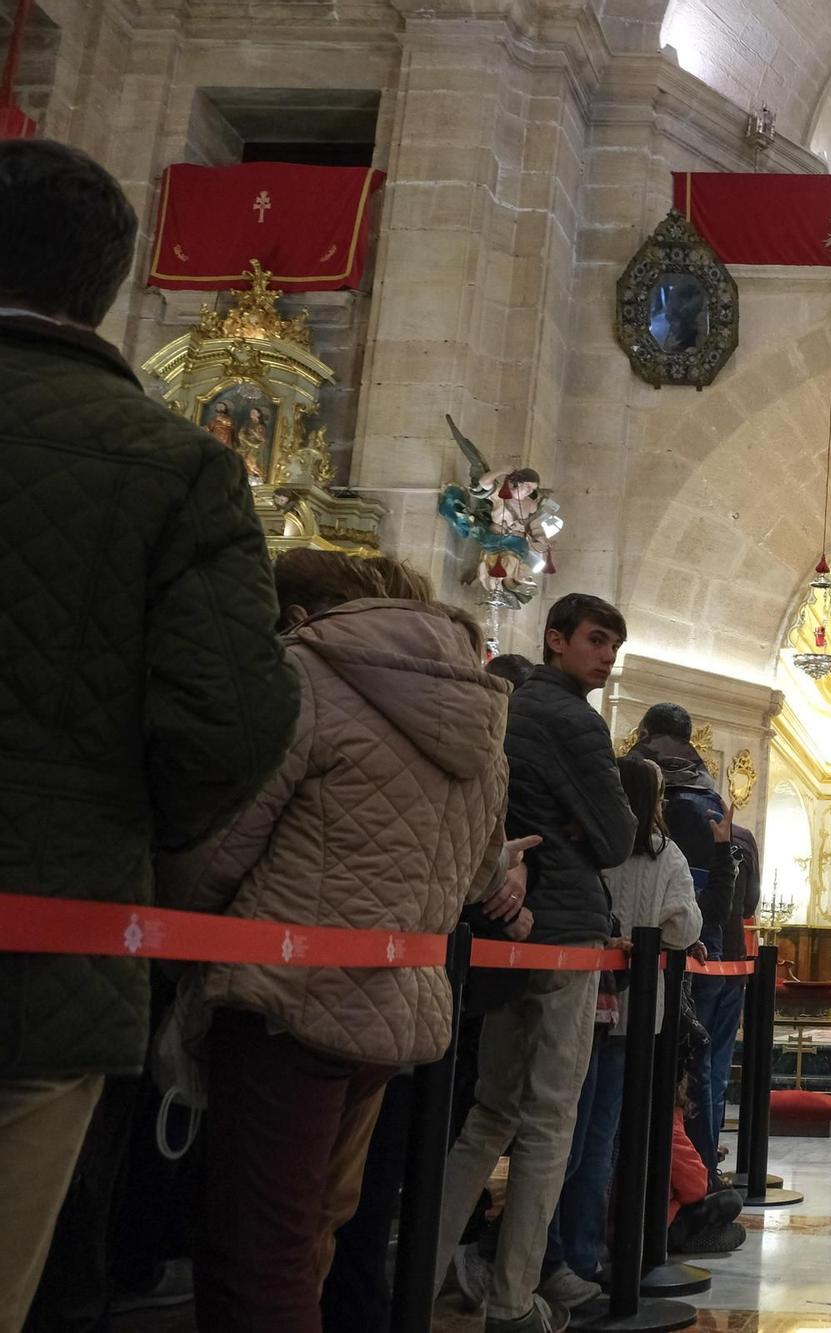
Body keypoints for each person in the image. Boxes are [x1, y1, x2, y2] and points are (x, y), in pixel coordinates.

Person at [0, 139, 298, 1332]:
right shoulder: (178, 466)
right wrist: (123, 833)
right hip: (50, 940)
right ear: (114, 283)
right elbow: (229, 718)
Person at [151, 553, 508, 1333]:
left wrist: (171, 931)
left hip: (288, 999)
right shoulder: (480, 709)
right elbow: (481, 871)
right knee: (315, 1230)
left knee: (257, 1250)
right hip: (389, 1009)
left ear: (298, 612)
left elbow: (219, 847)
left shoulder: (305, 676)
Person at [436, 592, 637, 1333]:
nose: (606, 655)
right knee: (550, 1117)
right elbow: (617, 837)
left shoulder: (507, 707)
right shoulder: (574, 718)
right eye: (594, 639)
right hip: (566, 930)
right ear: (555, 639)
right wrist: (584, 834)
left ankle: (420, 1277)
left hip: (504, 919)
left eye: (614, 643)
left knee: (489, 1115)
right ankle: (513, 1299)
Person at [545, 755, 700, 1296]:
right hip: (634, 1018)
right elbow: (683, 927)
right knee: (601, 1139)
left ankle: (550, 1251)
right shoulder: (667, 857)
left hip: (578, 1005)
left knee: (563, 1131)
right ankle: (585, 1254)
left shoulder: (591, 845)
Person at [632, 703, 743, 1184]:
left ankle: (642, 1178)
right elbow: (726, 903)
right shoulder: (712, 804)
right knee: (698, 1066)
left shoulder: (630, 790)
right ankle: (697, 1176)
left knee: (638, 1070)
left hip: (632, 950)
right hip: (702, 948)